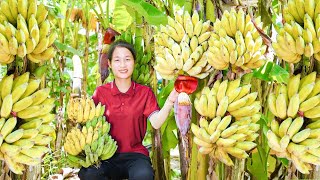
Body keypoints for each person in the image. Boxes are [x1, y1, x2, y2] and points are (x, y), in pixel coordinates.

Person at [78, 40, 179, 180]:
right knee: (89, 175)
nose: (123, 65)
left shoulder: (144, 93)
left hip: (135, 155)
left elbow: (156, 122)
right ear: (109, 64)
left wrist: (170, 101)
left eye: (127, 59)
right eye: (117, 60)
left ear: (134, 62)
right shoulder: (100, 93)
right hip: (105, 155)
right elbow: (88, 124)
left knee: (144, 176)